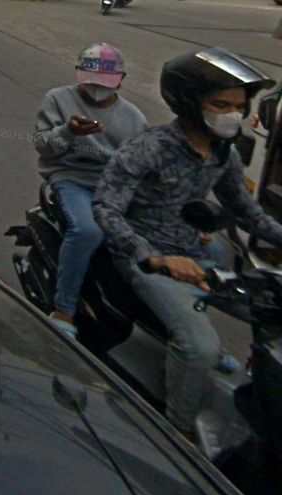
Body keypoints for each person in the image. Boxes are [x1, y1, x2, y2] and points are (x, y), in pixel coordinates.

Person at [92, 47, 282, 438]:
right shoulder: (148, 148)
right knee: (200, 348)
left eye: (239, 106)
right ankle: (177, 434)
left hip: (195, 256)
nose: (233, 114)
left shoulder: (223, 155)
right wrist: (154, 258)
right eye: (221, 105)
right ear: (190, 103)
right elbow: (106, 209)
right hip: (147, 258)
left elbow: (248, 214)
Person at [33, 42, 147, 338]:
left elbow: (141, 165)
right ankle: (64, 309)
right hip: (72, 178)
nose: (97, 91)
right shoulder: (58, 99)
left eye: (105, 83)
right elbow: (44, 147)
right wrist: (68, 131)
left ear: (120, 80)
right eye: (91, 82)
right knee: (87, 231)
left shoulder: (134, 118)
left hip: (115, 186)